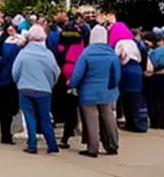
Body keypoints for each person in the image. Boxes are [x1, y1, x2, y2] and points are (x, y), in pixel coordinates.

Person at [69, 25, 121, 158]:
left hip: (88, 92)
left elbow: (77, 75)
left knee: (92, 120)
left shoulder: (86, 53)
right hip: (107, 92)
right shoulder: (111, 53)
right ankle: (112, 145)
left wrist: (72, 84)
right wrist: (112, 86)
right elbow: (117, 75)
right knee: (108, 116)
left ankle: (93, 148)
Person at [12, 24, 60, 154]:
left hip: (25, 88)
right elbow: (56, 72)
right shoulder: (48, 54)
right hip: (44, 89)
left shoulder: (23, 53)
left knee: (30, 118)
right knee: (45, 118)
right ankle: (52, 145)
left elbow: (15, 71)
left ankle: (32, 145)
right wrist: (50, 84)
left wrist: (19, 83)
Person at [0, 24, 25, 145]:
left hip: (2, 81)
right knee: (12, 109)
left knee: (3, 111)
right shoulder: (17, 48)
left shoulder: (1, 45)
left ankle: (5, 134)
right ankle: (8, 134)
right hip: (13, 81)